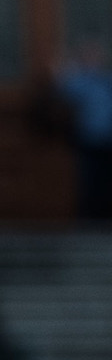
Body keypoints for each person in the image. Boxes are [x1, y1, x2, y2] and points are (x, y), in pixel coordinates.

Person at [52, 37, 112, 222]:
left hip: (107, 139)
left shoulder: (105, 80)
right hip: (88, 139)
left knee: (106, 180)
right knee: (88, 180)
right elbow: (62, 89)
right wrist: (65, 68)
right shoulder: (79, 81)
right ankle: (89, 218)